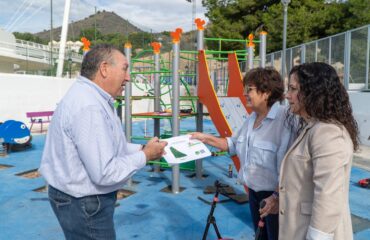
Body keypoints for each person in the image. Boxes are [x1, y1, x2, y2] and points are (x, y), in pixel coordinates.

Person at [39, 44, 167, 240]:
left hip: (74, 199)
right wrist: (146, 156)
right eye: (124, 68)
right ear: (104, 69)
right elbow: (105, 173)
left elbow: (109, 144)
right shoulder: (90, 107)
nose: (128, 77)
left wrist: (142, 148)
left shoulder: (89, 97)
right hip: (84, 203)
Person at [191, 67, 294, 240]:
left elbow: (290, 166)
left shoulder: (285, 120)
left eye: (250, 90)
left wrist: (277, 197)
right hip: (253, 194)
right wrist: (205, 138)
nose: (245, 94)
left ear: (266, 92)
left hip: (274, 198)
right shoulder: (252, 118)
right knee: (260, 236)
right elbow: (232, 144)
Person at [280, 62, 359, 240]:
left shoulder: (327, 133)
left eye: (293, 89)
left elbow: (328, 195)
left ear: (312, 92)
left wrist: (317, 237)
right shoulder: (313, 127)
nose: (287, 95)